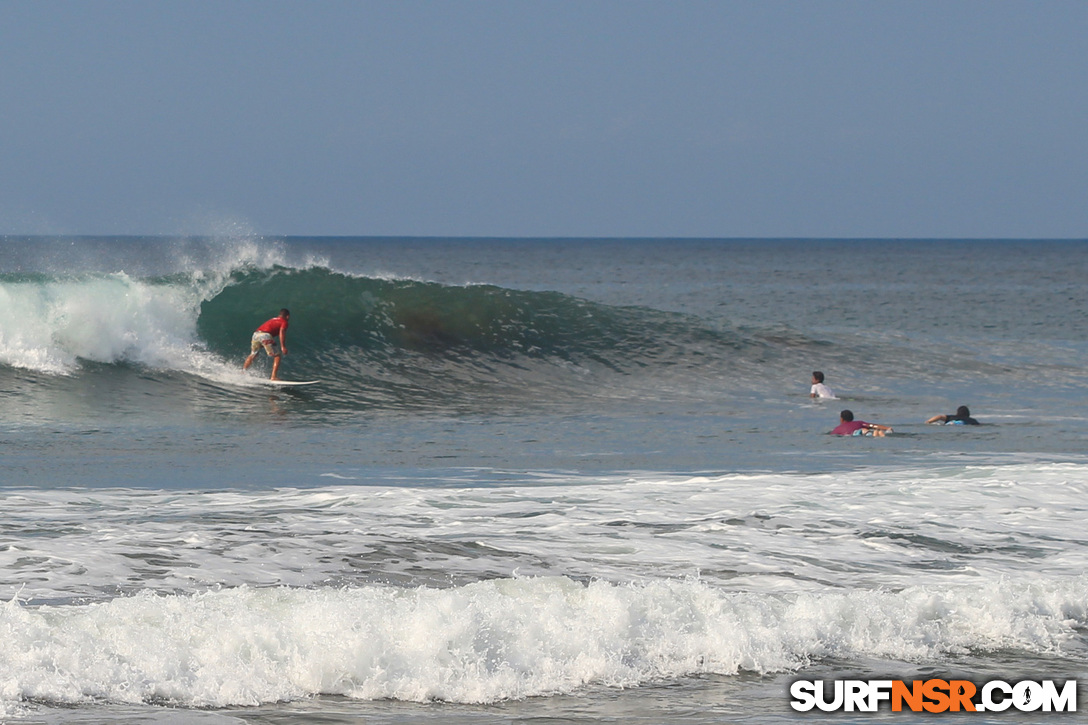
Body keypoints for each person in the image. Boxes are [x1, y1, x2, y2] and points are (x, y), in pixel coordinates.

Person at [243, 308, 290, 380]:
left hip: (256, 334)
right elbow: (282, 332)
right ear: (287, 316)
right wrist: (283, 346)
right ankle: (273, 377)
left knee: (253, 354)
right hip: (265, 335)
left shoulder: (273, 319)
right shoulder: (284, 322)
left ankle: (243, 372)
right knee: (277, 355)